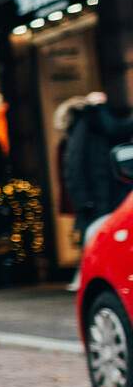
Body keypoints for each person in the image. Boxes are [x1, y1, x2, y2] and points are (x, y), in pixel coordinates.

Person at [62, 93, 133, 267]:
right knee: (99, 239)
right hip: (99, 197)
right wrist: (98, 107)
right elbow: (116, 128)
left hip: (95, 197)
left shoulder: (82, 126)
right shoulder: (91, 119)